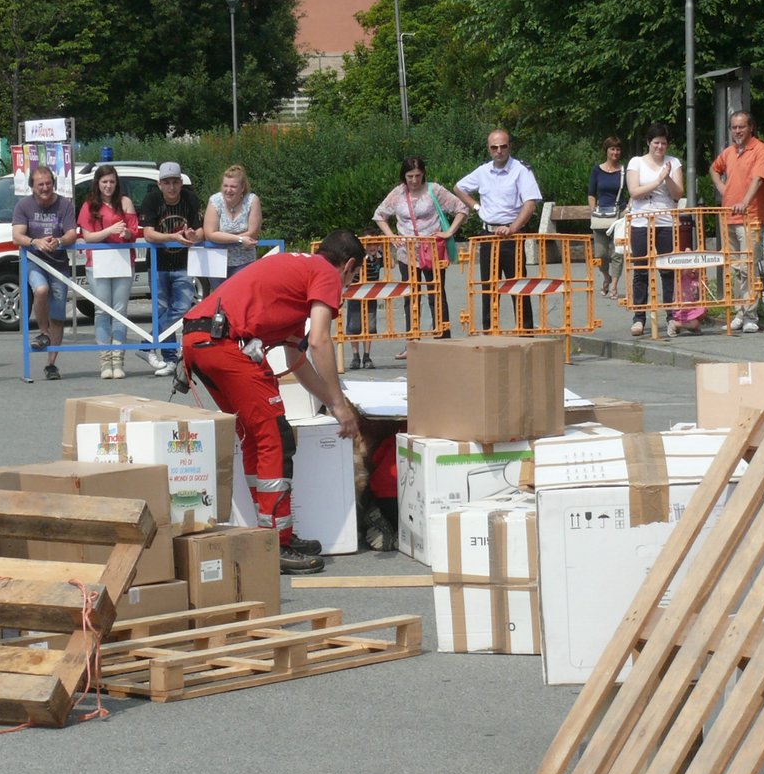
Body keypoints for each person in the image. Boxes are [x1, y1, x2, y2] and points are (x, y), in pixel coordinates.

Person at [178, 230, 364, 575]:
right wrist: (339, 406)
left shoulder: (297, 278)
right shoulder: (325, 273)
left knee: (256, 437)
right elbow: (322, 342)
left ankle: (270, 534)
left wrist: (336, 404)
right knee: (275, 438)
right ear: (348, 266)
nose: (347, 287)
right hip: (226, 344)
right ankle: (275, 542)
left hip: (202, 339)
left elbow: (299, 361)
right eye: (352, 279)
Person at [372, 154, 466, 356]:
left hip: (433, 249)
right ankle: (412, 342)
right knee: (411, 297)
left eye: (418, 176)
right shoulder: (397, 194)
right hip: (407, 252)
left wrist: (449, 232)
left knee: (436, 293)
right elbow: (379, 214)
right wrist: (390, 236)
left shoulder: (434, 190)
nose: (414, 181)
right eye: (410, 176)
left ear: (423, 175)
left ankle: (443, 339)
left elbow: (461, 209)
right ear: (403, 177)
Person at [454, 129, 542, 332]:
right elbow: (459, 188)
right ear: (489, 149)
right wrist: (477, 208)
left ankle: (524, 333)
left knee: (518, 287)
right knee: (488, 288)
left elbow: (530, 204)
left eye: (503, 146)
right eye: (494, 147)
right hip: (488, 236)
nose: (499, 151)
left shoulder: (521, 170)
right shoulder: (483, 171)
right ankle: (489, 333)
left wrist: (513, 228)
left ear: (509, 146)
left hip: (512, 237)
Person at [12, 165, 80, 381]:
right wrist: (35, 242)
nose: (45, 188)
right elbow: (16, 236)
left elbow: (72, 233)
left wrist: (59, 241)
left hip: (59, 264)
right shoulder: (23, 206)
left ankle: (51, 364)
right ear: (32, 187)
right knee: (40, 290)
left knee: (58, 317)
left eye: (48, 184)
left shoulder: (64, 205)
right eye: (40, 184)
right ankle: (43, 332)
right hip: (34, 261)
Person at [137, 160, 203, 379]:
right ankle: (170, 358)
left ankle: (147, 343)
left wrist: (194, 237)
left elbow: (200, 229)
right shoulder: (151, 200)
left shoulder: (190, 199)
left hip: (184, 264)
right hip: (158, 264)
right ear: (159, 184)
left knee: (182, 309)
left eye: (175, 182)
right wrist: (173, 237)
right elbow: (148, 233)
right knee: (162, 309)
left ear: (181, 183)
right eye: (167, 183)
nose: (172, 187)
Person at [710, 111, 764, 331]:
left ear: (751, 127)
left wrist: (745, 201)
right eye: (734, 128)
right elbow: (714, 169)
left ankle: (751, 316)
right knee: (736, 268)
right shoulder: (729, 152)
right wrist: (722, 188)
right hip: (729, 217)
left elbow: (758, 179)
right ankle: (740, 311)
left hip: (751, 217)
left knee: (748, 267)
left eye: (741, 127)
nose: (737, 131)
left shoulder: (761, 150)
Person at [78, 164, 140, 379]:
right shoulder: (88, 205)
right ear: (98, 183)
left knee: (120, 311)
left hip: (122, 261)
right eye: (104, 182)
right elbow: (87, 237)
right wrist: (109, 231)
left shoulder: (125, 202)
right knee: (102, 311)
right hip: (97, 262)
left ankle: (118, 359)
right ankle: (105, 361)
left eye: (112, 181)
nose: (108, 186)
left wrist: (126, 234)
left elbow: (134, 231)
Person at [626, 122, 683, 338]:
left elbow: (677, 194)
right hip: (641, 221)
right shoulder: (636, 162)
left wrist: (667, 177)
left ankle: (671, 316)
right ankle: (639, 318)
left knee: (668, 270)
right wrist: (658, 179)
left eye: (664, 143)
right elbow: (635, 191)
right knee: (640, 269)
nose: (660, 147)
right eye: (656, 142)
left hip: (666, 221)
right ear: (649, 143)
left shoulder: (673, 162)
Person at [201, 164, 262, 289]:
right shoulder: (215, 200)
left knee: (239, 299)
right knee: (219, 301)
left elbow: (253, 232)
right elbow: (209, 234)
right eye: (225, 186)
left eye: (233, 186)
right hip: (217, 261)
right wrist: (239, 239)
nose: (228, 190)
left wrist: (221, 237)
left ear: (242, 188)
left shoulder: (252, 200)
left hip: (243, 261)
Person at [588, 137, 629, 297]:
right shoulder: (597, 170)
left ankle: (614, 285)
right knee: (601, 254)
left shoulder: (624, 171)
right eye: (612, 149)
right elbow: (591, 193)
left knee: (618, 252)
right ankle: (607, 277)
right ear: (606, 150)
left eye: (618, 149)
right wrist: (593, 209)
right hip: (601, 215)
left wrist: (628, 208)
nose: (615, 152)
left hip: (619, 214)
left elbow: (632, 191)